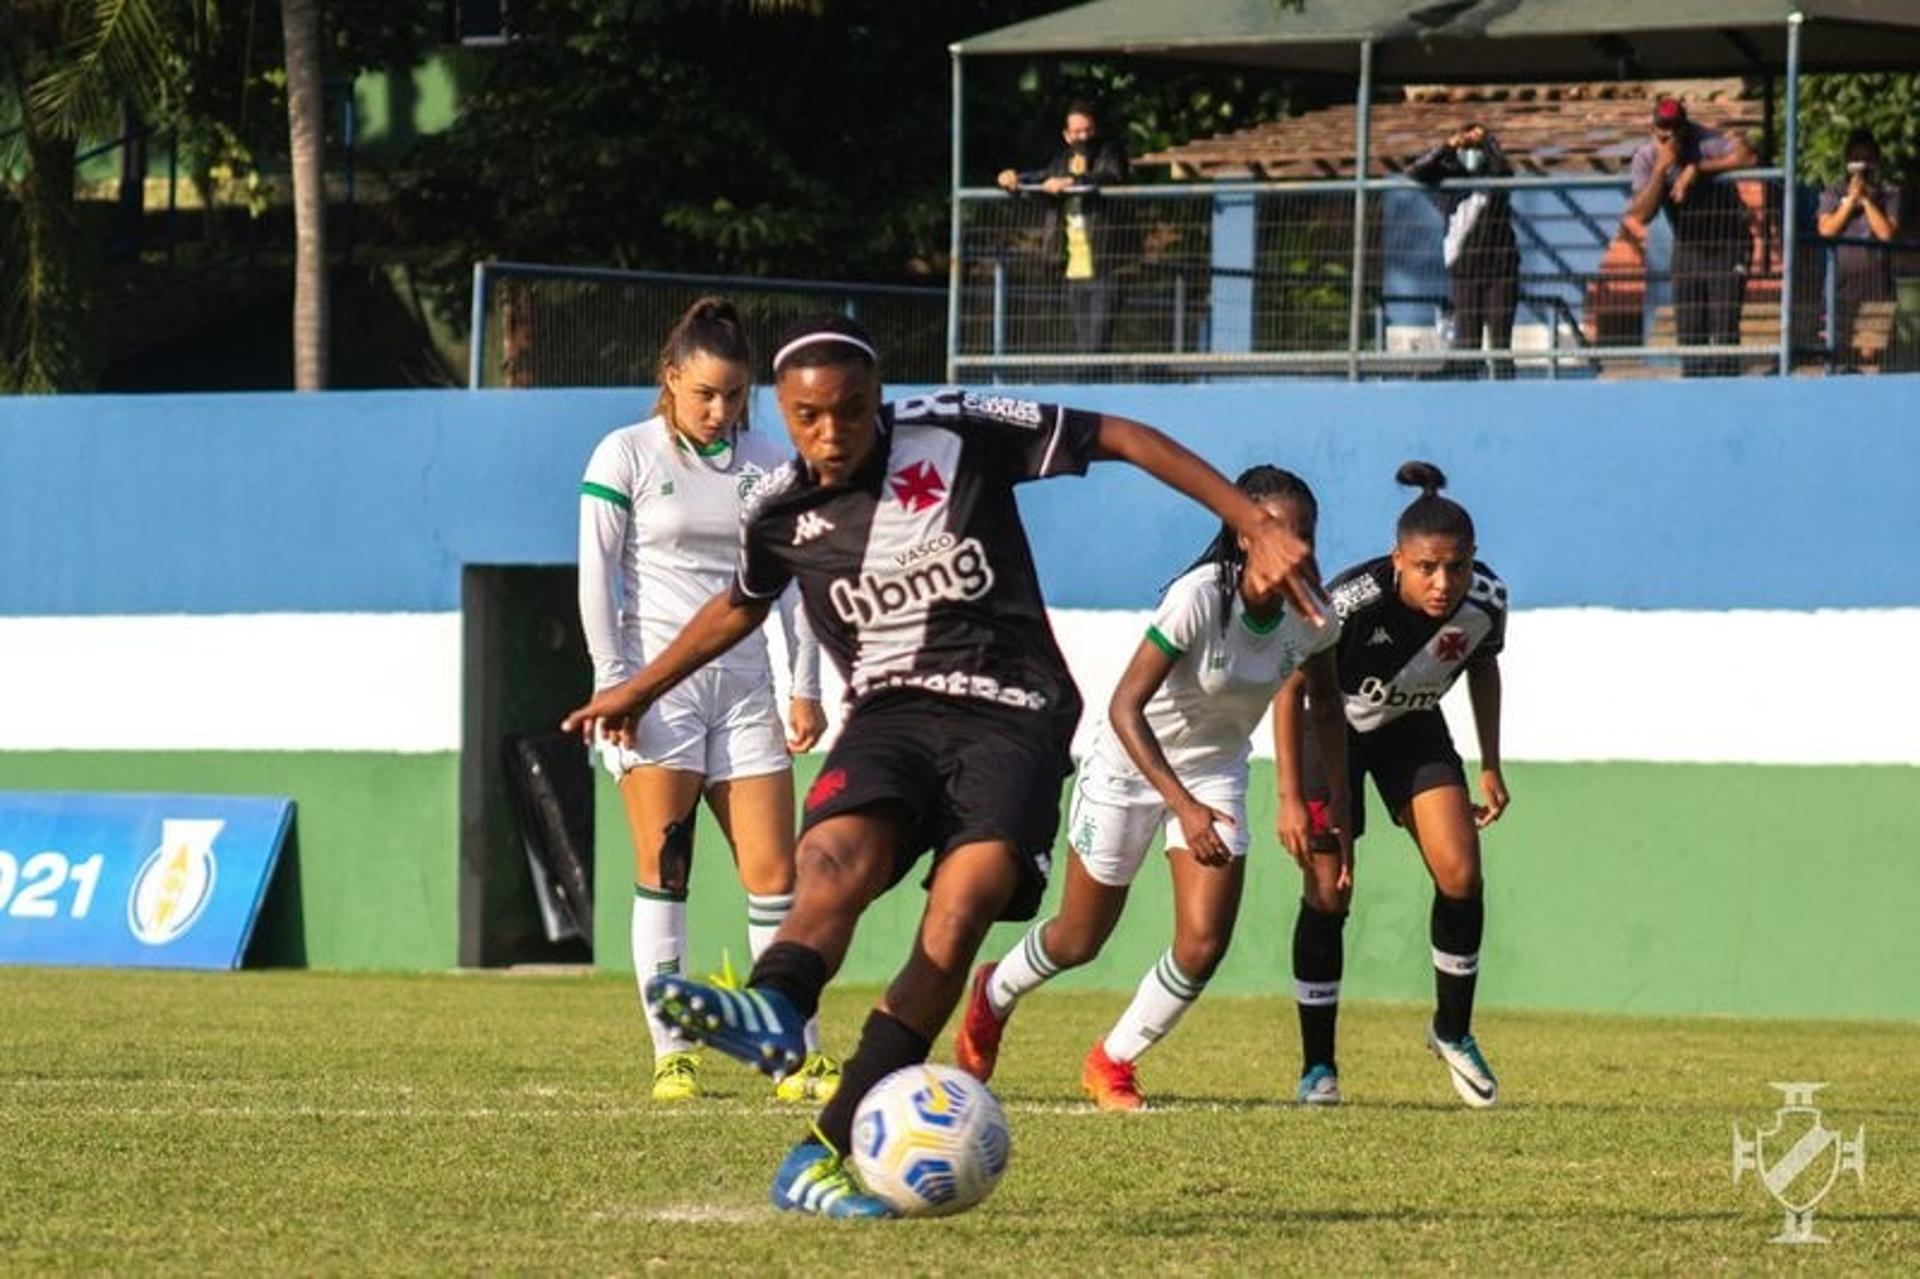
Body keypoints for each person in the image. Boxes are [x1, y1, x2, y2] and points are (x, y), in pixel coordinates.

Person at [561, 316, 1322, 1217]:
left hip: (1013, 711)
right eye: (808, 418)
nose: (830, 434)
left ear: (878, 400)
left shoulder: (957, 427)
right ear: (786, 413)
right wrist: (637, 689)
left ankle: (821, 1153)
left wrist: (1247, 522)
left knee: (958, 914)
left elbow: (1117, 435)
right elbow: (738, 607)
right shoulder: (776, 511)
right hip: (891, 712)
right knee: (833, 857)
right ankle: (777, 1004)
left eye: (849, 412)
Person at [951, 467, 1351, 1111]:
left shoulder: (1315, 618)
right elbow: (1124, 707)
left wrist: (1323, 812)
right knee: (1081, 938)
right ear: (1242, 534)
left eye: (1304, 533)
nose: (1295, 545)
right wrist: (1184, 808)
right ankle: (993, 991)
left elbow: (1326, 711)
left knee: (1202, 942)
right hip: (1129, 765)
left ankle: (1112, 1062)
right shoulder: (1198, 599)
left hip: (1214, 769)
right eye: (1277, 530)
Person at [577, 296, 837, 1105]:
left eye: (733, 395)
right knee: (666, 870)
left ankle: (794, 1048)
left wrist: (805, 683)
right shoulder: (623, 455)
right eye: (705, 395)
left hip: (748, 687)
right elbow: (596, 578)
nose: (720, 410)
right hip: (658, 689)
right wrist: (615, 683)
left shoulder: (771, 463)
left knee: (775, 876)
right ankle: (673, 1050)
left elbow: (791, 585)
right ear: (670, 380)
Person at [1294, 461, 1508, 1109]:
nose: (1444, 583)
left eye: (1458, 566)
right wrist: (1306, 801)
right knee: (1329, 894)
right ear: (1398, 561)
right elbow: (1302, 693)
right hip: (1330, 735)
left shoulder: (1487, 601)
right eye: (1427, 568)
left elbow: (1483, 669)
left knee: (1461, 874)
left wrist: (1491, 763)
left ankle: (1452, 1029)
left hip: (1412, 729)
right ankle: (1318, 1067)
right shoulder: (1350, 602)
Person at [1625, 97, 1758, 377]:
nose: (1670, 137)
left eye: (1676, 130)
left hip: (1728, 244)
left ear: (1687, 127)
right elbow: (1640, 214)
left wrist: (1699, 170)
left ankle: (1725, 392)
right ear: (1653, 130)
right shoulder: (1647, 157)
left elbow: (1748, 155)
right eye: (1663, 131)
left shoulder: (1705, 140)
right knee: (1689, 330)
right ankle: (1695, 393)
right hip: (1688, 246)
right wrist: (1662, 170)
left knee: (1724, 330)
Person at [997, 101, 1130, 354]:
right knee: (1083, 343)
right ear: (1067, 135)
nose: (1083, 137)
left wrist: (1073, 181)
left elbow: (1111, 176)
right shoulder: (1061, 160)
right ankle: (1088, 386)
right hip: (1075, 270)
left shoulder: (1109, 153)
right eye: (1077, 132)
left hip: (1107, 265)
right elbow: (1041, 177)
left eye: (1088, 130)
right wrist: (1015, 179)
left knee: (1097, 342)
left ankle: (1094, 384)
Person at [1409, 123, 1521, 381]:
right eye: (1468, 148)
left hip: (1500, 269)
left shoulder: (1495, 177)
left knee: (1500, 344)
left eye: (1477, 148)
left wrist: (1488, 142)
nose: (1472, 153)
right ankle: (1468, 396)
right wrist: (1449, 146)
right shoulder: (1450, 180)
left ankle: (1507, 396)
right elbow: (1416, 172)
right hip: (1465, 269)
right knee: (1468, 342)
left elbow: (1504, 171)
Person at [1816, 128, 1903, 371]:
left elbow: (1886, 233)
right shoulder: (1833, 192)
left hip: (1876, 287)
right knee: (1837, 353)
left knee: (1870, 353)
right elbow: (1826, 229)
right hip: (1839, 288)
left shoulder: (1889, 193)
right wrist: (1849, 202)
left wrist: (1865, 201)